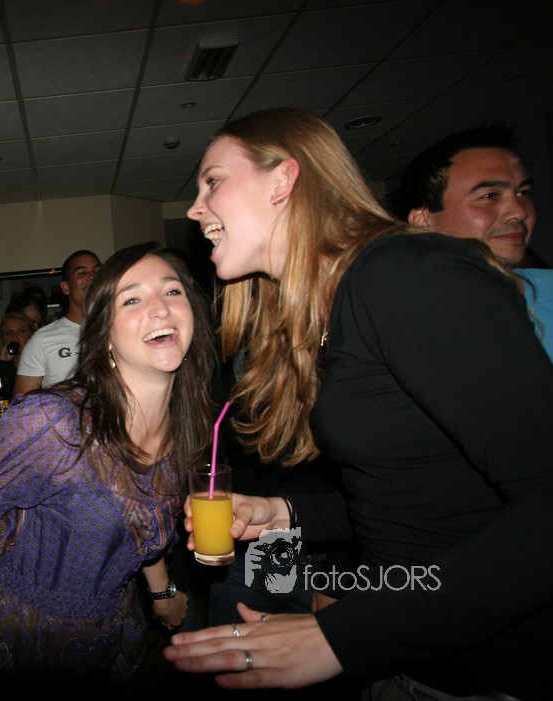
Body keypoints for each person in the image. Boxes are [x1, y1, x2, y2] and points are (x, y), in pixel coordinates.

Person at [163, 107, 553, 699]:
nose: (196, 209)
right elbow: (419, 500)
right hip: (417, 659)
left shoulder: (403, 273)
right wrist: (281, 514)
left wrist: (343, 638)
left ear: (283, 179)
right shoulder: (329, 314)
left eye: (212, 181)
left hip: (496, 670)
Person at [0, 243, 218, 695]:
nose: (160, 308)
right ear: (104, 334)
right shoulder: (53, 423)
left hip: (114, 632)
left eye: (172, 292)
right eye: (132, 299)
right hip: (25, 643)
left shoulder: (188, 425)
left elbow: (138, 520)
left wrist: (162, 592)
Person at [396, 124, 553, 361]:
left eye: (523, 193)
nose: (518, 212)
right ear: (424, 221)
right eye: (489, 196)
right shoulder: (404, 320)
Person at [12, 250, 101, 395]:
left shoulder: (122, 331)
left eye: (98, 272)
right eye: (82, 273)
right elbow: (22, 404)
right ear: (66, 287)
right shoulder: (42, 340)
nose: (92, 277)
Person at [0, 311, 34, 400]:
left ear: (30, 334)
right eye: (8, 333)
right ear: (3, 338)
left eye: (21, 331)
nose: (15, 337)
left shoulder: (41, 362)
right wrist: (4, 365)